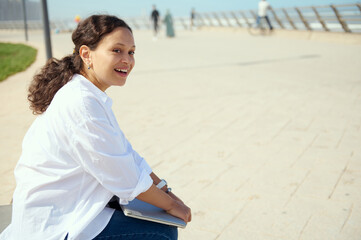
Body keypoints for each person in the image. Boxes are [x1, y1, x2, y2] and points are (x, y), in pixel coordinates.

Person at [0, 15, 191, 240]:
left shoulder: (87, 93)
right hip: (56, 222)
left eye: (131, 52)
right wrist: (171, 205)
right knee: (162, 232)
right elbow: (124, 177)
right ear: (86, 54)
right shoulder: (81, 102)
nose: (127, 60)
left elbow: (126, 154)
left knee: (156, 217)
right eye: (117, 50)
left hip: (70, 205)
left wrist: (165, 190)